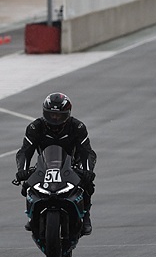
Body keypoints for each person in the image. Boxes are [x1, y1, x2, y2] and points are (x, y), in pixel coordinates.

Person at [15, 92, 96, 235]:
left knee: (87, 184)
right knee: (26, 186)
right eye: (51, 114)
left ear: (67, 114)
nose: (55, 118)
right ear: (45, 113)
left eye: (59, 115)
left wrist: (88, 171)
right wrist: (23, 170)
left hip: (71, 165)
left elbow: (87, 152)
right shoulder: (35, 127)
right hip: (44, 165)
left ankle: (86, 216)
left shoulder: (77, 127)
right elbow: (25, 151)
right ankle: (32, 216)